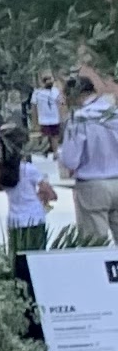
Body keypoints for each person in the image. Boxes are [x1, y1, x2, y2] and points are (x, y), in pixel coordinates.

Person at [61, 78, 118, 245]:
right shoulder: (114, 113)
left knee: (95, 243)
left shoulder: (79, 119)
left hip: (92, 184)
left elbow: (70, 160)